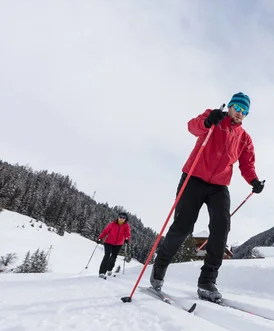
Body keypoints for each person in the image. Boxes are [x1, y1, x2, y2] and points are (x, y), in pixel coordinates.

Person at [149, 92, 265, 301]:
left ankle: (207, 282)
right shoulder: (214, 117)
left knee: (221, 227)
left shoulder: (244, 138)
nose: (240, 113)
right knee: (183, 227)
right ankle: (159, 268)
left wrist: (254, 181)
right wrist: (208, 120)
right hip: (194, 177)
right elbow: (192, 126)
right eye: (237, 108)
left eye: (244, 111)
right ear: (230, 106)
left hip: (219, 186)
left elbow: (247, 165)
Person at [98, 213, 131, 279]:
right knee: (107, 256)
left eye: (123, 217)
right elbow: (105, 231)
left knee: (113, 257)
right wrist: (100, 238)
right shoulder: (112, 224)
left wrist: (127, 238)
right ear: (118, 217)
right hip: (108, 242)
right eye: (120, 217)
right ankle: (102, 272)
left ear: (125, 219)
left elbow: (127, 233)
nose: (121, 218)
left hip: (118, 244)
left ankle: (110, 269)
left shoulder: (126, 226)